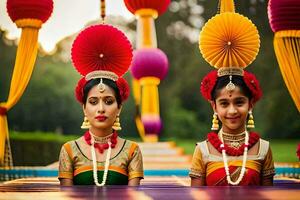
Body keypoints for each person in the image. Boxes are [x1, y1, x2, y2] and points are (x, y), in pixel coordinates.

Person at [58, 24, 144, 186]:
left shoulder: (131, 150)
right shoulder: (69, 150)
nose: (101, 108)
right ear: (84, 107)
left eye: (109, 101)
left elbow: (134, 195)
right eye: (93, 101)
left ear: (119, 107)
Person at [189, 68, 275, 186]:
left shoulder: (263, 149)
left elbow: (269, 195)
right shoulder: (203, 150)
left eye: (239, 102)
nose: (232, 111)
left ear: (250, 104)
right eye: (224, 103)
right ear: (214, 106)